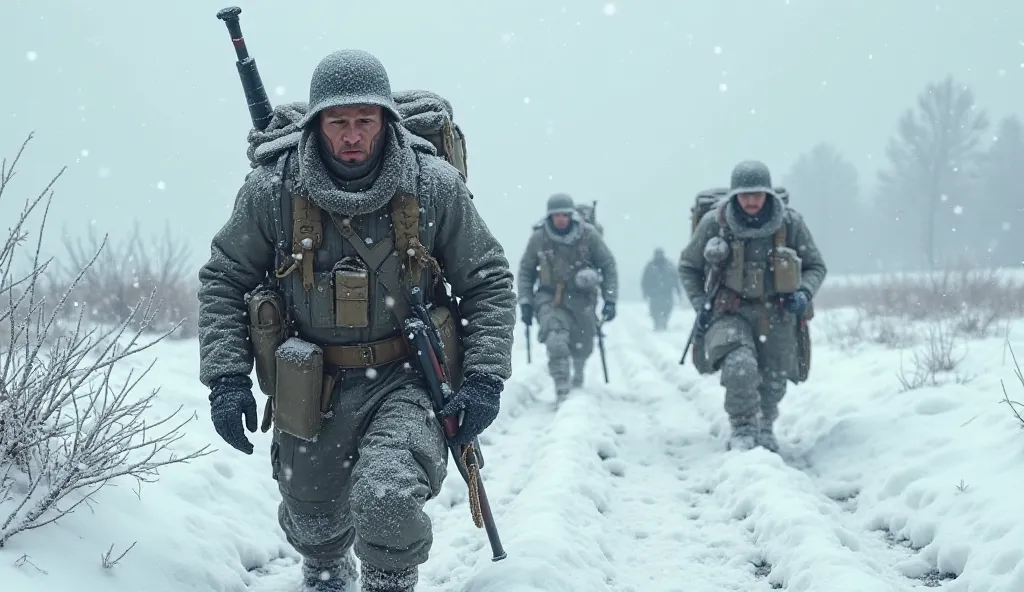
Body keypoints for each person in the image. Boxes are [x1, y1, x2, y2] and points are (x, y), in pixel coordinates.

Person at [197, 49, 516, 592]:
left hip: (407, 375)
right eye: (337, 121)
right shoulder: (272, 190)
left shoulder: (432, 185)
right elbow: (225, 278)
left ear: (385, 120)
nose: (351, 135)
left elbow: (486, 280)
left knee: (386, 498)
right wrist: (226, 378)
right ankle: (325, 568)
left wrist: (486, 377)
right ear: (317, 124)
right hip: (312, 380)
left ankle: (389, 583)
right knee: (312, 518)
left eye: (364, 120)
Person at [678, 160, 826, 452]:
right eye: (745, 195)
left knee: (773, 377)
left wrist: (804, 293)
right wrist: (700, 304)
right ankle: (743, 426)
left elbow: (815, 266)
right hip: (729, 311)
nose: (751, 201)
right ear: (735, 196)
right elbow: (688, 266)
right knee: (740, 366)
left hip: (777, 312)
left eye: (756, 195)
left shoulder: (790, 224)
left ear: (767, 195)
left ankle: (766, 424)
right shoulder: (714, 224)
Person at [518, 193, 617, 399]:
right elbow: (526, 271)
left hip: (583, 299)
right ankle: (561, 385)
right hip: (549, 298)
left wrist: (610, 299)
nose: (561, 219)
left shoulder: (589, 235)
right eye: (556, 215)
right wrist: (526, 301)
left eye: (565, 214)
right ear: (550, 217)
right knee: (555, 340)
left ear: (571, 215)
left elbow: (608, 266)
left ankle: (578, 370)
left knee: (583, 344)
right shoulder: (539, 238)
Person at [641, 247, 682, 331]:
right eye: (657, 254)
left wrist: (678, 291)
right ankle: (657, 324)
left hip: (667, 293)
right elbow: (645, 280)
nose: (659, 256)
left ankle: (664, 322)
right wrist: (645, 292)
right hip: (654, 294)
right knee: (654, 311)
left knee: (667, 309)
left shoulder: (669, 266)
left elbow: (676, 279)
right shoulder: (650, 267)